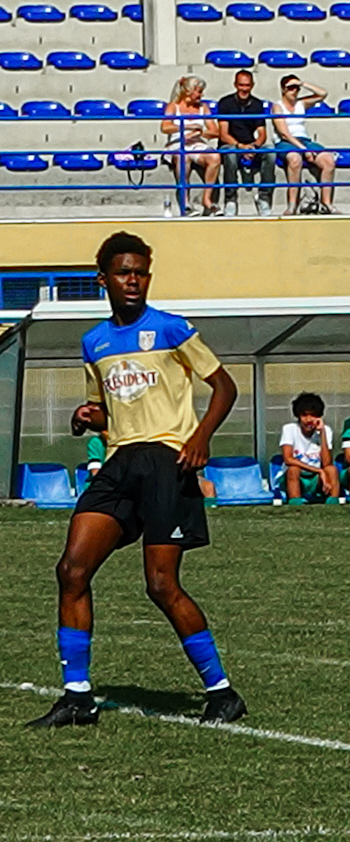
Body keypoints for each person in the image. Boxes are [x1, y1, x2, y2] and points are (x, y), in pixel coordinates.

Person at [26, 232, 246, 728]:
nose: (134, 281)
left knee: (161, 584)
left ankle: (222, 692)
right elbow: (109, 413)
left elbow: (225, 386)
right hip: (121, 463)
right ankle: (77, 697)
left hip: (169, 463)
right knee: (71, 571)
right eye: (124, 272)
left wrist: (201, 437)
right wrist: (88, 417)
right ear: (102, 278)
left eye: (141, 272)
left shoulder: (172, 329)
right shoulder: (94, 342)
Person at [272, 75, 336, 215]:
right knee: (295, 160)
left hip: (304, 139)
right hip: (286, 142)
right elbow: (284, 134)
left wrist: (303, 83)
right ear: (283, 90)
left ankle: (326, 203)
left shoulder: (301, 104)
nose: (294, 91)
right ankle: (292, 204)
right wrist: (304, 149)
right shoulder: (277, 106)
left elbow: (323, 94)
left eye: (296, 88)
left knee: (328, 160)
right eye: (290, 88)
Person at [214, 68, 274, 215]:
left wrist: (254, 147)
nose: (244, 89)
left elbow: (262, 133)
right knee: (231, 155)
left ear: (252, 86)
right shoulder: (225, 103)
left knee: (271, 153)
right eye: (241, 85)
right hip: (231, 145)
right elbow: (223, 134)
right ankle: (230, 199)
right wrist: (241, 147)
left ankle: (264, 197)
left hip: (250, 145)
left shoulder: (257, 104)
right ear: (235, 85)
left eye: (247, 85)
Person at [161, 76, 220, 217]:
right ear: (189, 91)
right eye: (199, 91)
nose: (202, 95)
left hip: (197, 143)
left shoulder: (203, 108)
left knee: (215, 157)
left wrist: (201, 132)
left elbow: (215, 131)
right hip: (177, 143)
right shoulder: (173, 107)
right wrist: (184, 127)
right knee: (183, 157)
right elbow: (165, 126)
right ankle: (185, 202)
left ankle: (207, 199)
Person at [278, 391, 339, 503]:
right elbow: (288, 459)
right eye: (304, 415)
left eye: (313, 415)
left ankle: (333, 504)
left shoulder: (326, 430)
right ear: (298, 416)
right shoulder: (289, 429)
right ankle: (296, 505)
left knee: (332, 470)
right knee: (293, 470)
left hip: (316, 478)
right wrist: (319, 470)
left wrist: (322, 434)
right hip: (296, 477)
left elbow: (326, 463)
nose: (309, 420)